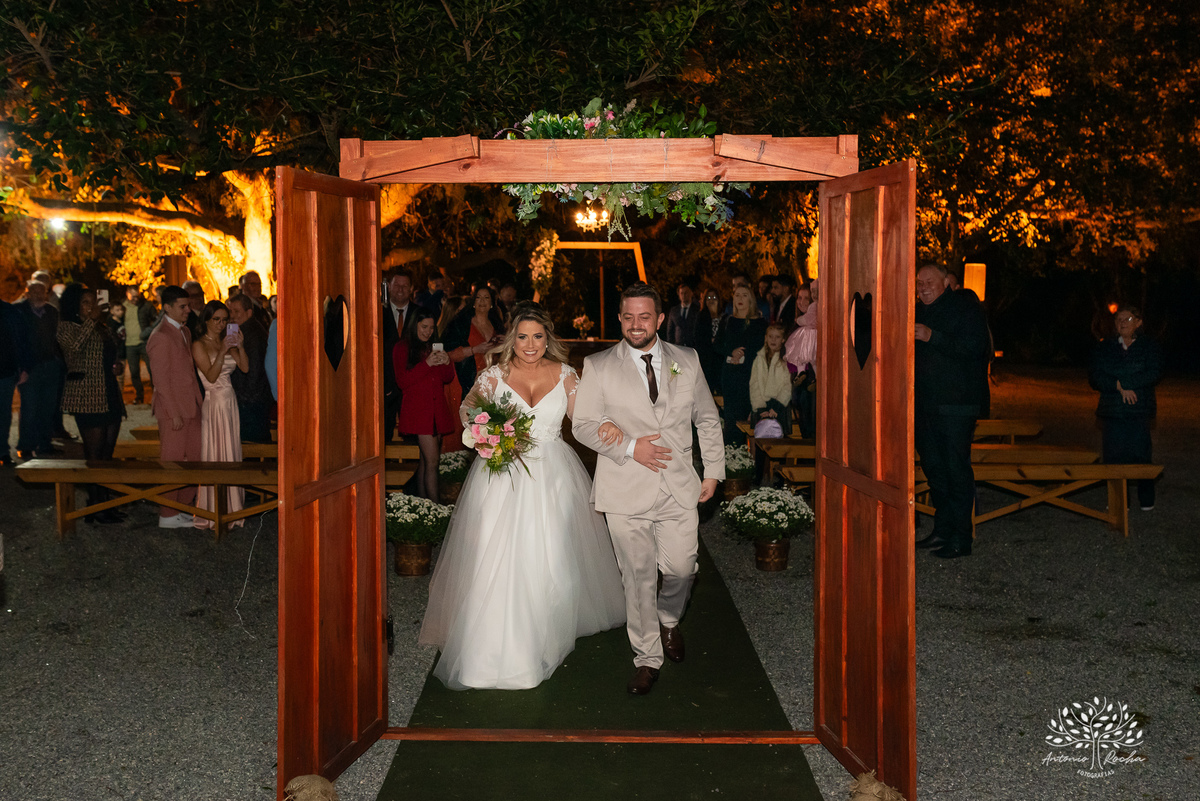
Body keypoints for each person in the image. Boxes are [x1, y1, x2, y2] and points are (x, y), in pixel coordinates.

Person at [419, 301, 626, 690]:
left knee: (550, 558)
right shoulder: (493, 376)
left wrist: (611, 426)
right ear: (512, 338)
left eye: (537, 337)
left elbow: (584, 422)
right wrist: (487, 434)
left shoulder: (566, 374)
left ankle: (544, 631)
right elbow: (467, 411)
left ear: (547, 338)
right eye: (523, 337)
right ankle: (495, 647)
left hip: (554, 477)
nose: (530, 345)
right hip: (501, 476)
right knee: (495, 555)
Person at [573, 283, 725, 695]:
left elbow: (707, 419)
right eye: (628, 317)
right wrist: (628, 446)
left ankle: (669, 618)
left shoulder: (686, 360)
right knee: (637, 576)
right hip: (624, 490)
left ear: (660, 319)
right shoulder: (599, 366)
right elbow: (583, 424)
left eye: (644, 316)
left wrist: (713, 471)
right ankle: (646, 657)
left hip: (679, 486)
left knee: (681, 568)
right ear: (619, 319)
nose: (635, 324)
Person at [913, 263, 991, 559]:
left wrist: (933, 336)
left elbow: (975, 348)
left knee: (956, 468)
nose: (923, 287)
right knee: (934, 469)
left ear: (947, 281)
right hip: (924, 405)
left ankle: (961, 536)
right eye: (919, 283)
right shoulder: (918, 310)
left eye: (929, 281)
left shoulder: (965, 307)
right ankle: (943, 528)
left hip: (957, 405)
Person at [57, 284, 127, 524]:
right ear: (75, 306)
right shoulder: (66, 328)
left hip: (108, 392)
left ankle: (105, 502)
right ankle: (95, 507)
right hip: (87, 396)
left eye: (92, 302)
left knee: (107, 454)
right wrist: (92, 320)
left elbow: (107, 355)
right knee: (94, 454)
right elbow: (76, 348)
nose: (91, 307)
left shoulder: (101, 327)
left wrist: (116, 365)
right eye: (85, 303)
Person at [1089, 306, 1163, 511]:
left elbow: (1154, 372)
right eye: (1118, 319)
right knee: (1113, 457)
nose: (1122, 322)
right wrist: (1118, 386)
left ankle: (1146, 499)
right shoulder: (1105, 347)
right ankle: (1119, 501)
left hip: (1139, 410)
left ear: (1138, 322)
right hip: (1112, 411)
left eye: (1127, 318)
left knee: (1141, 455)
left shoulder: (1149, 346)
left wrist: (1127, 382)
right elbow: (1095, 376)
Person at [146, 286, 204, 529]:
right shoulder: (160, 336)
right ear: (167, 307)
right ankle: (167, 513)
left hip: (190, 406)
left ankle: (181, 508)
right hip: (174, 412)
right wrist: (174, 413)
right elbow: (160, 381)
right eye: (182, 306)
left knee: (197, 459)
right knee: (172, 461)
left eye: (188, 305)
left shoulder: (185, 331)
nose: (188, 310)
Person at [191, 300, 249, 530]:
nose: (220, 324)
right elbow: (212, 376)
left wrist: (240, 346)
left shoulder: (227, 341)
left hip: (229, 401)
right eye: (216, 319)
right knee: (216, 451)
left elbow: (245, 368)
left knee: (231, 450)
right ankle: (213, 510)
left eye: (225, 319)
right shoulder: (199, 344)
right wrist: (223, 350)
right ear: (206, 320)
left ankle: (234, 508)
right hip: (214, 401)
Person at [393, 310, 456, 500]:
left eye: (431, 328)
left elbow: (447, 378)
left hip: (436, 411)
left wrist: (447, 362)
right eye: (424, 327)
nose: (428, 332)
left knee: (425, 462)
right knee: (433, 462)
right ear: (414, 325)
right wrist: (427, 364)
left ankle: (424, 505)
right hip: (419, 413)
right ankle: (437, 507)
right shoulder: (402, 348)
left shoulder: (433, 347)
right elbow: (402, 382)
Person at [13, 280, 62, 459]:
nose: (38, 295)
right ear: (27, 293)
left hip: (50, 365)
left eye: (41, 291)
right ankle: (26, 445)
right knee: (30, 408)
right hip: (29, 368)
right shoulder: (18, 312)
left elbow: (58, 338)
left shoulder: (51, 312)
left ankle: (45, 444)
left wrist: (58, 361)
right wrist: (20, 368)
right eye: (34, 291)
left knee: (48, 408)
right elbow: (15, 342)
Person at [715, 285, 767, 444]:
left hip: (751, 375)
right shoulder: (727, 321)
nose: (740, 299)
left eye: (744, 295)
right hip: (731, 375)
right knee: (732, 418)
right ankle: (732, 458)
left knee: (749, 418)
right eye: (737, 295)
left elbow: (763, 349)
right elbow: (717, 345)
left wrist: (744, 354)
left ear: (751, 299)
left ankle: (749, 459)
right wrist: (731, 352)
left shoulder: (760, 323)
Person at [444, 285, 505, 396]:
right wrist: (475, 349)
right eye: (478, 297)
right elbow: (450, 354)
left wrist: (506, 342)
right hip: (467, 383)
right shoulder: (461, 324)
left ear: (491, 303)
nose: (482, 301)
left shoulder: (497, 325)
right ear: (473, 301)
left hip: (494, 384)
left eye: (486, 297)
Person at [227, 293, 272, 443]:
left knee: (252, 444)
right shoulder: (237, 329)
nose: (232, 316)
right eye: (230, 311)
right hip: (248, 399)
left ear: (249, 312)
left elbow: (255, 371)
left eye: (237, 311)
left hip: (251, 402)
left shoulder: (252, 334)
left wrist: (244, 399)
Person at [382, 269, 418, 442]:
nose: (401, 289)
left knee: (414, 438)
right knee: (383, 436)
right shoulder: (377, 313)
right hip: (384, 386)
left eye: (405, 286)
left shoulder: (420, 315)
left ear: (411, 289)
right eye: (397, 285)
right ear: (389, 286)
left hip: (412, 386)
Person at [1, 298, 35, 466]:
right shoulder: (10, 312)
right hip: (6, 370)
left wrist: (25, 367)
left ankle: (2, 451)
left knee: (3, 414)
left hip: (5, 371)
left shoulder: (9, 312)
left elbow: (22, 340)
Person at [749, 323, 793, 437]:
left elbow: (787, 386)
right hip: (762, 407)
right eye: (770, 336)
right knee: (760, 439)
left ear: (783, 340)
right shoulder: (759, 359)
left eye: (777, 337)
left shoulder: (786, 359)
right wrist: (760, 407)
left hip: (779, 407)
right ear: (765, 338)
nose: (773, 340)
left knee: (779, 443)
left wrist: (776, 407)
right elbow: (754, 384)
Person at [123, 286, 156, 405]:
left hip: (144, 342)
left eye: (137, 296)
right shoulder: (123, 307)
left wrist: (149, 332)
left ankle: (156, 396)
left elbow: (155, 319)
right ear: (127, 294)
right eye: (133, 296)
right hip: (129, 344)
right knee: (134, 371)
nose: (135, 299)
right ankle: (139, 395)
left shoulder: (146, 305)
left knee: (152, 370)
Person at [694, 288, 725, 391]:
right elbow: (698, 338)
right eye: (709, 297)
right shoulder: (701, 317)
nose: (712, 300)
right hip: (707, 360)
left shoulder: (724, 317)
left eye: (714, 297)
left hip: (721, 358)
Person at [664, 279, 701, 348]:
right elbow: (670, 331)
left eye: (686, 293)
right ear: (679, 295)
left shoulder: (697, 310)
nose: (684, 295)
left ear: (691, 293)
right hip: (678, 347)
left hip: (693, 347)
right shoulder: (674, 311)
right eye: (682, 293)